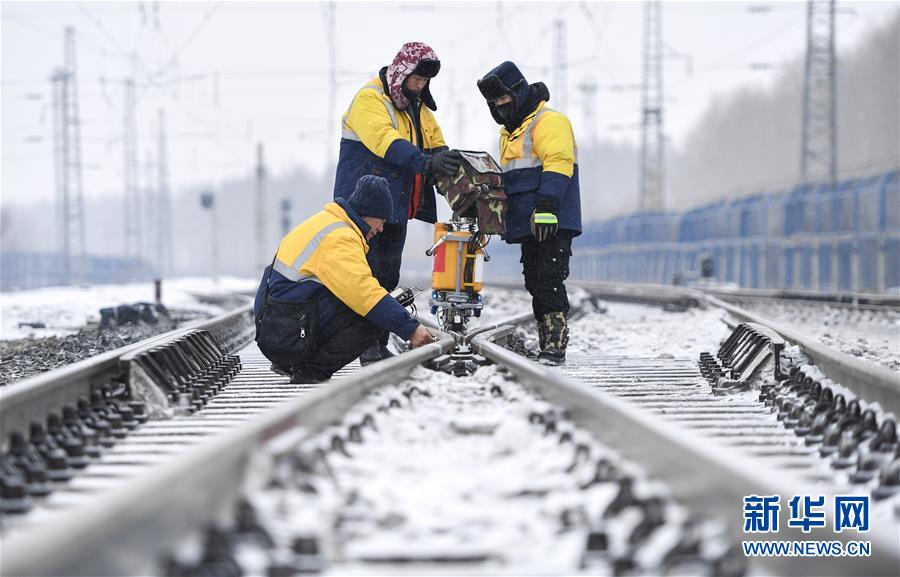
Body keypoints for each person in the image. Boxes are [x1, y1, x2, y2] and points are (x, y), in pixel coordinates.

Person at [334, 41, 462, 365]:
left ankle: (374, 343)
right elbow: (385, 142)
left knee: (387, 276)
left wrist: (452, 175)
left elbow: (436, 146)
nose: (419, 86)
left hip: (395, 206)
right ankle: (365, 347)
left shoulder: (417, 108)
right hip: (364, 207)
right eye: (416, 79)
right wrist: (426, 163)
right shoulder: (370, 99)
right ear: (402, 73)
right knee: (369, 276)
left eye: (425, 81)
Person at [254, 175, 435, 383]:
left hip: (278, 327)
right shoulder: (340, 237)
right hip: (287, 336)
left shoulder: (327, 222)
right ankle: (311, 371)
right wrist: (410, 328)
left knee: (373, 305)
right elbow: (363, 293)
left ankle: (294, 362)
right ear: (369, 213)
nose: (381, 229)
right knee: (373, 314)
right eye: (381, 220)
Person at [476, 61, 582, 364]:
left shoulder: (548, 121)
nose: (500, 107)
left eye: (503, 100)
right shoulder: (509, 132)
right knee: (534, 279)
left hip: (551, 217)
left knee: (549, 277)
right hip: (527, 221)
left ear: (517, 93)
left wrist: (547, 206)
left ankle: (554, 342)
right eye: (494, 104)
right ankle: (546, 338)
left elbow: (559, 162)